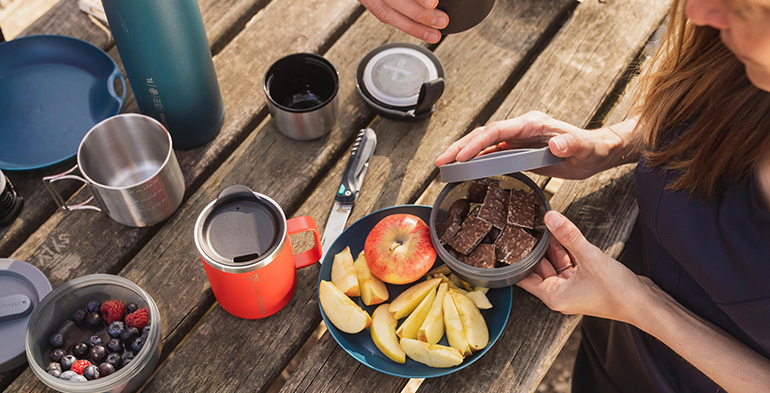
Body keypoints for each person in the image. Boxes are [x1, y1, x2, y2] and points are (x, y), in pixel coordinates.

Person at [362, 0, 770, 391]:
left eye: (750, 10)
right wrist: (608, 145)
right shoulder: (729, 42)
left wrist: (641, 304)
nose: (697, 12)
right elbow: (709, 111)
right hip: (611, 331)